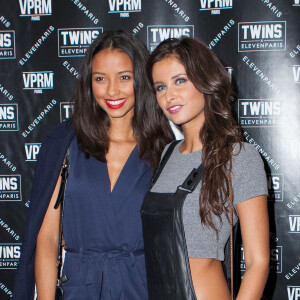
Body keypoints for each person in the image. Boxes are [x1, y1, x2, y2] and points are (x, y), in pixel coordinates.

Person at [12, 30, 174, 300]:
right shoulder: (63, 143)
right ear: (89, 83)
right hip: (80, 286)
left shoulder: (165, 150)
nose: (112, 90)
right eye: (101, 79)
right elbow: (49, 238)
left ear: (142, 80)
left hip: (143, 287)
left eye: (124, 77)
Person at [141, 37, 269, 300]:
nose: (169, 96)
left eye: (180, 80)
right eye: (160, 87)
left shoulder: (239, 157)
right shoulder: (168, 154)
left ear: (205, 80)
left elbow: (258, 262)